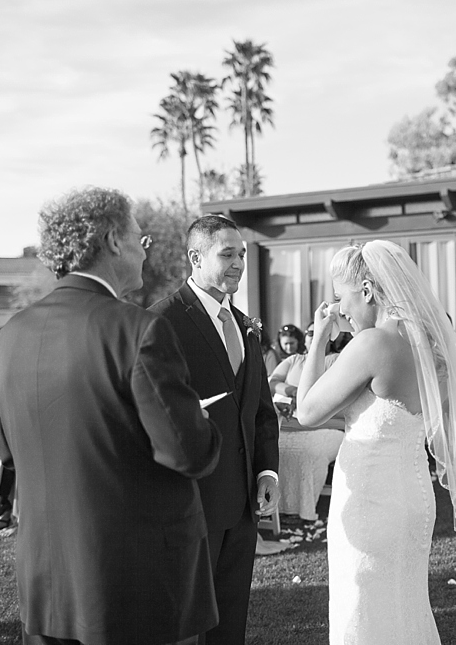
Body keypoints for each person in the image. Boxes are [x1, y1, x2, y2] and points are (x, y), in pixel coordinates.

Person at [0, 186, 222, 645]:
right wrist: (197, 418)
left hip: (46, 585)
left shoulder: (10, 335)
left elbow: (8, 451)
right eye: (140, 236)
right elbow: (189, 453)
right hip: (136, 587)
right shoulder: (137, 329)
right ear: (114, 240)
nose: (144, 248)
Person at [294, 240, 456, 644]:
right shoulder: (432, 346)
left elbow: (306, 412)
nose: (339, 309)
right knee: (405, 606)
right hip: (414, 499)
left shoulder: (372, 344)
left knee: (363, 607)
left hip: (371, 503)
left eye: (343, 297)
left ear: (369, 291)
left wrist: (318, 340)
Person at [150, 214, 280, 645]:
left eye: (241, 254)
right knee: (186, 629)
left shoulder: (246, 326)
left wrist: (267, 472)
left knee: (230, 625)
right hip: (190, 506)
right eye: (227, 254)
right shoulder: (161, 322)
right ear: (195, 257)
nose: (239, 263)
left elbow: (260, 411)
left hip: (242, 505)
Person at [269, 322, 344, 522]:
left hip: (327, 424)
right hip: (289, 422)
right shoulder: (294, 360)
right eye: (310, 332)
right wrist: (292, 391)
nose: (314, 336)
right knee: (273, 447)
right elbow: (273, 381)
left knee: (306, 453)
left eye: (320, 332)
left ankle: (299, 510)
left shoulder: (337, 360)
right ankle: (275, 508)